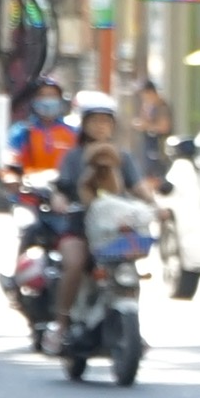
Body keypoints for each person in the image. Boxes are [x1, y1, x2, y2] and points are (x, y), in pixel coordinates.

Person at [48, 91, 151, 345]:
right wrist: (60, 202)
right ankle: (61, 324)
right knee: (74, 262)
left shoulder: (123, 156)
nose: (101, 126)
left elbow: (138, 188)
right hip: (79, 227)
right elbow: (59, 190)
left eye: (106, 121)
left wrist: (156, 206)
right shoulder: (72, 157)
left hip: (113, 230)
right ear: (84, 125)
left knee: (129, 269)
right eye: (95, 121)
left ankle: (131, 330)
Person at [7, 77, 75, 177]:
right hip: (28, 188)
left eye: (52, 95)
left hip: (64, 188)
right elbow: (10, 160)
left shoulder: (72, 132)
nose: (47, 100)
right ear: (33, 101)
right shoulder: (21, 131)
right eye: (42, 95)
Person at [133, 77, 175, 180]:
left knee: (157, 176)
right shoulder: (149, 106)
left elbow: (164, 127)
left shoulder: (162, 106)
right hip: (148, 147)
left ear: (150, 92)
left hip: (159, 148)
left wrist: (146, 126)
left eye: (144, 94)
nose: (143, 97)